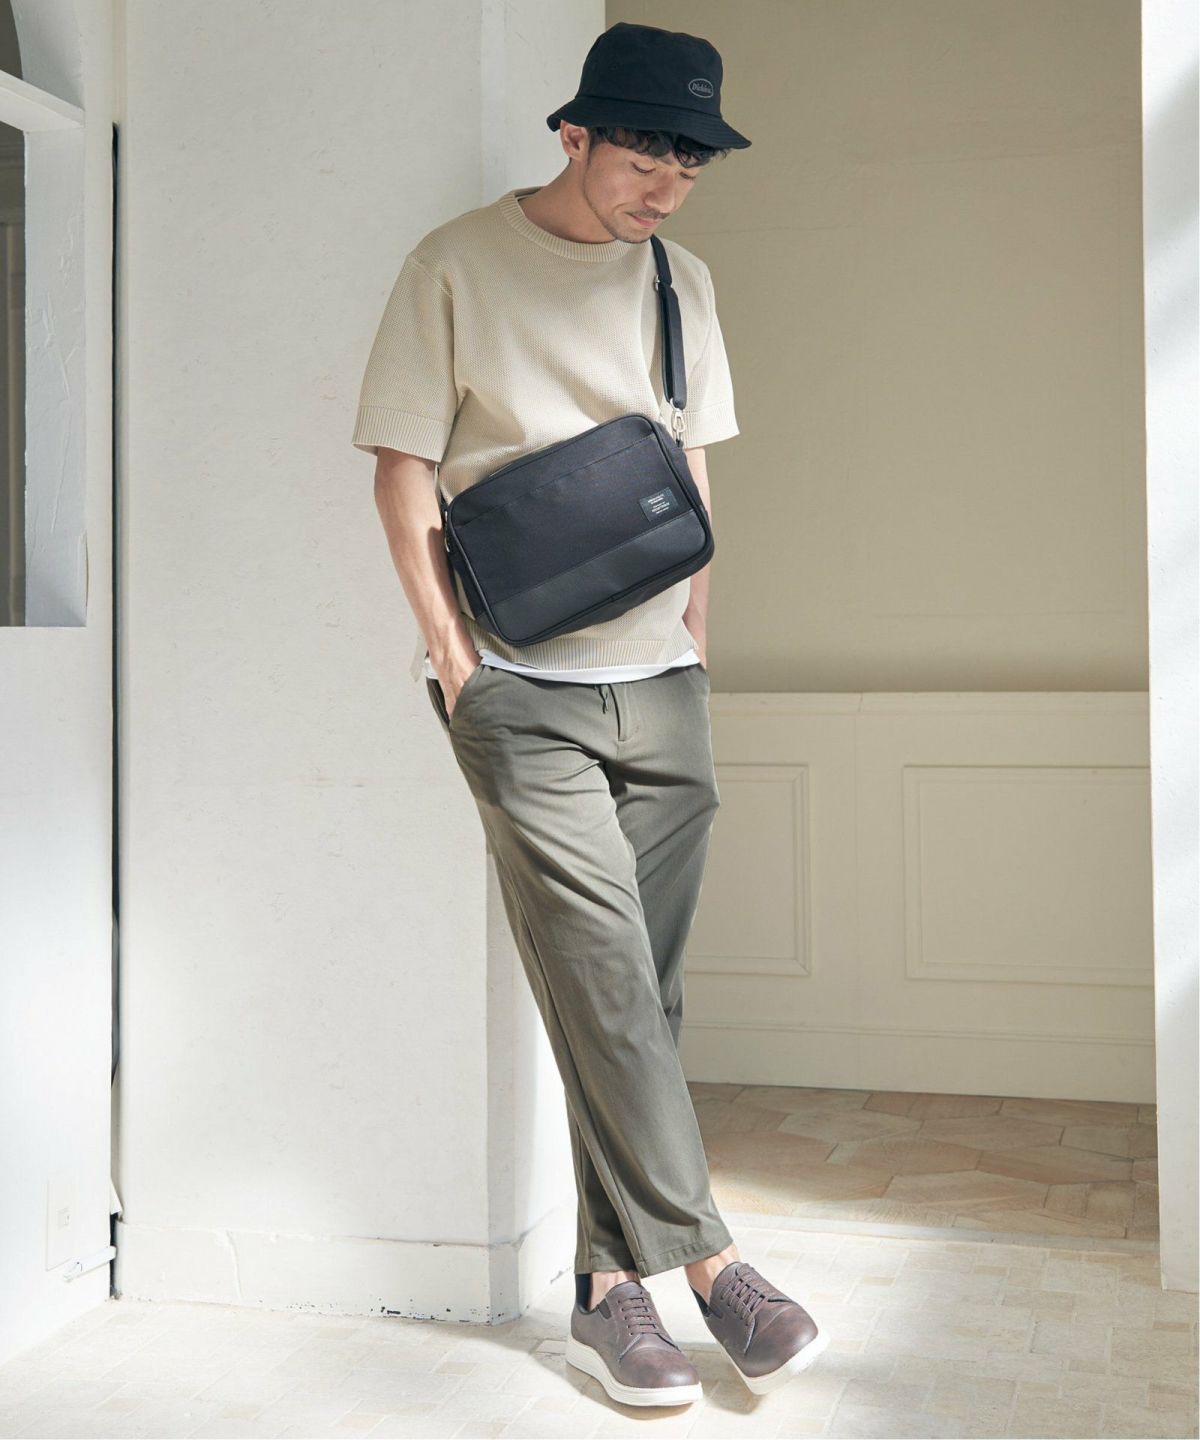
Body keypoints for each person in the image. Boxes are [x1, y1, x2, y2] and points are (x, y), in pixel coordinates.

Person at [352, 20, 827, 1409]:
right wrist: (455, 661)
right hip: (518, 686)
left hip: (659, 681)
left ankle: (607, 1291)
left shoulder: (685, 281)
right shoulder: (454, 264)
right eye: (643, 155)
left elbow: (689, 470)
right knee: (610, 979)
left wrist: (697, 641)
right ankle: (715, 1266)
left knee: (632, 996)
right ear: (574, 135)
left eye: (690, 163)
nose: (666, 185)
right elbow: (400, 466)